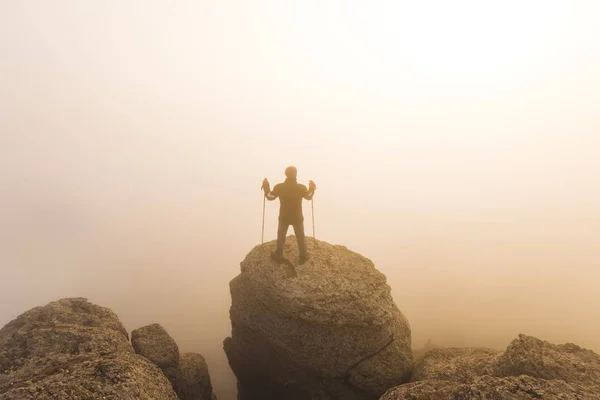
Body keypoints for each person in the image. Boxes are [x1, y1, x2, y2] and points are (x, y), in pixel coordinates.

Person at [262, 166, 316, 264]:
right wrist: (312, 189)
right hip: (297, 217)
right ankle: (303, 257)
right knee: (300, 237)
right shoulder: (301, 188)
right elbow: (309, 197)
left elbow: (270, 197)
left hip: (284, 217)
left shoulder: (280, 187)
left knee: (281, 236)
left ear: (285, 174)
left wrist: (266, 187)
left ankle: (278, 255)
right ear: (296, 174)